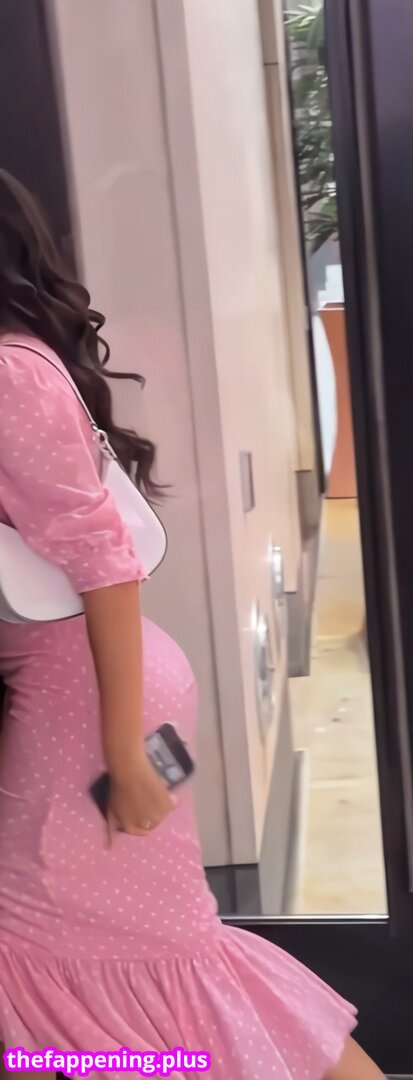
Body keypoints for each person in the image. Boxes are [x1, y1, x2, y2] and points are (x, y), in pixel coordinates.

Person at [0, 169, 384, 1080]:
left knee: (93, 949)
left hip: (84, 707)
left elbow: (102, 558)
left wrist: (125, 753)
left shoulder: (9, 371)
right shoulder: (20, 361)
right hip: (92, 693)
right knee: (135, 949)